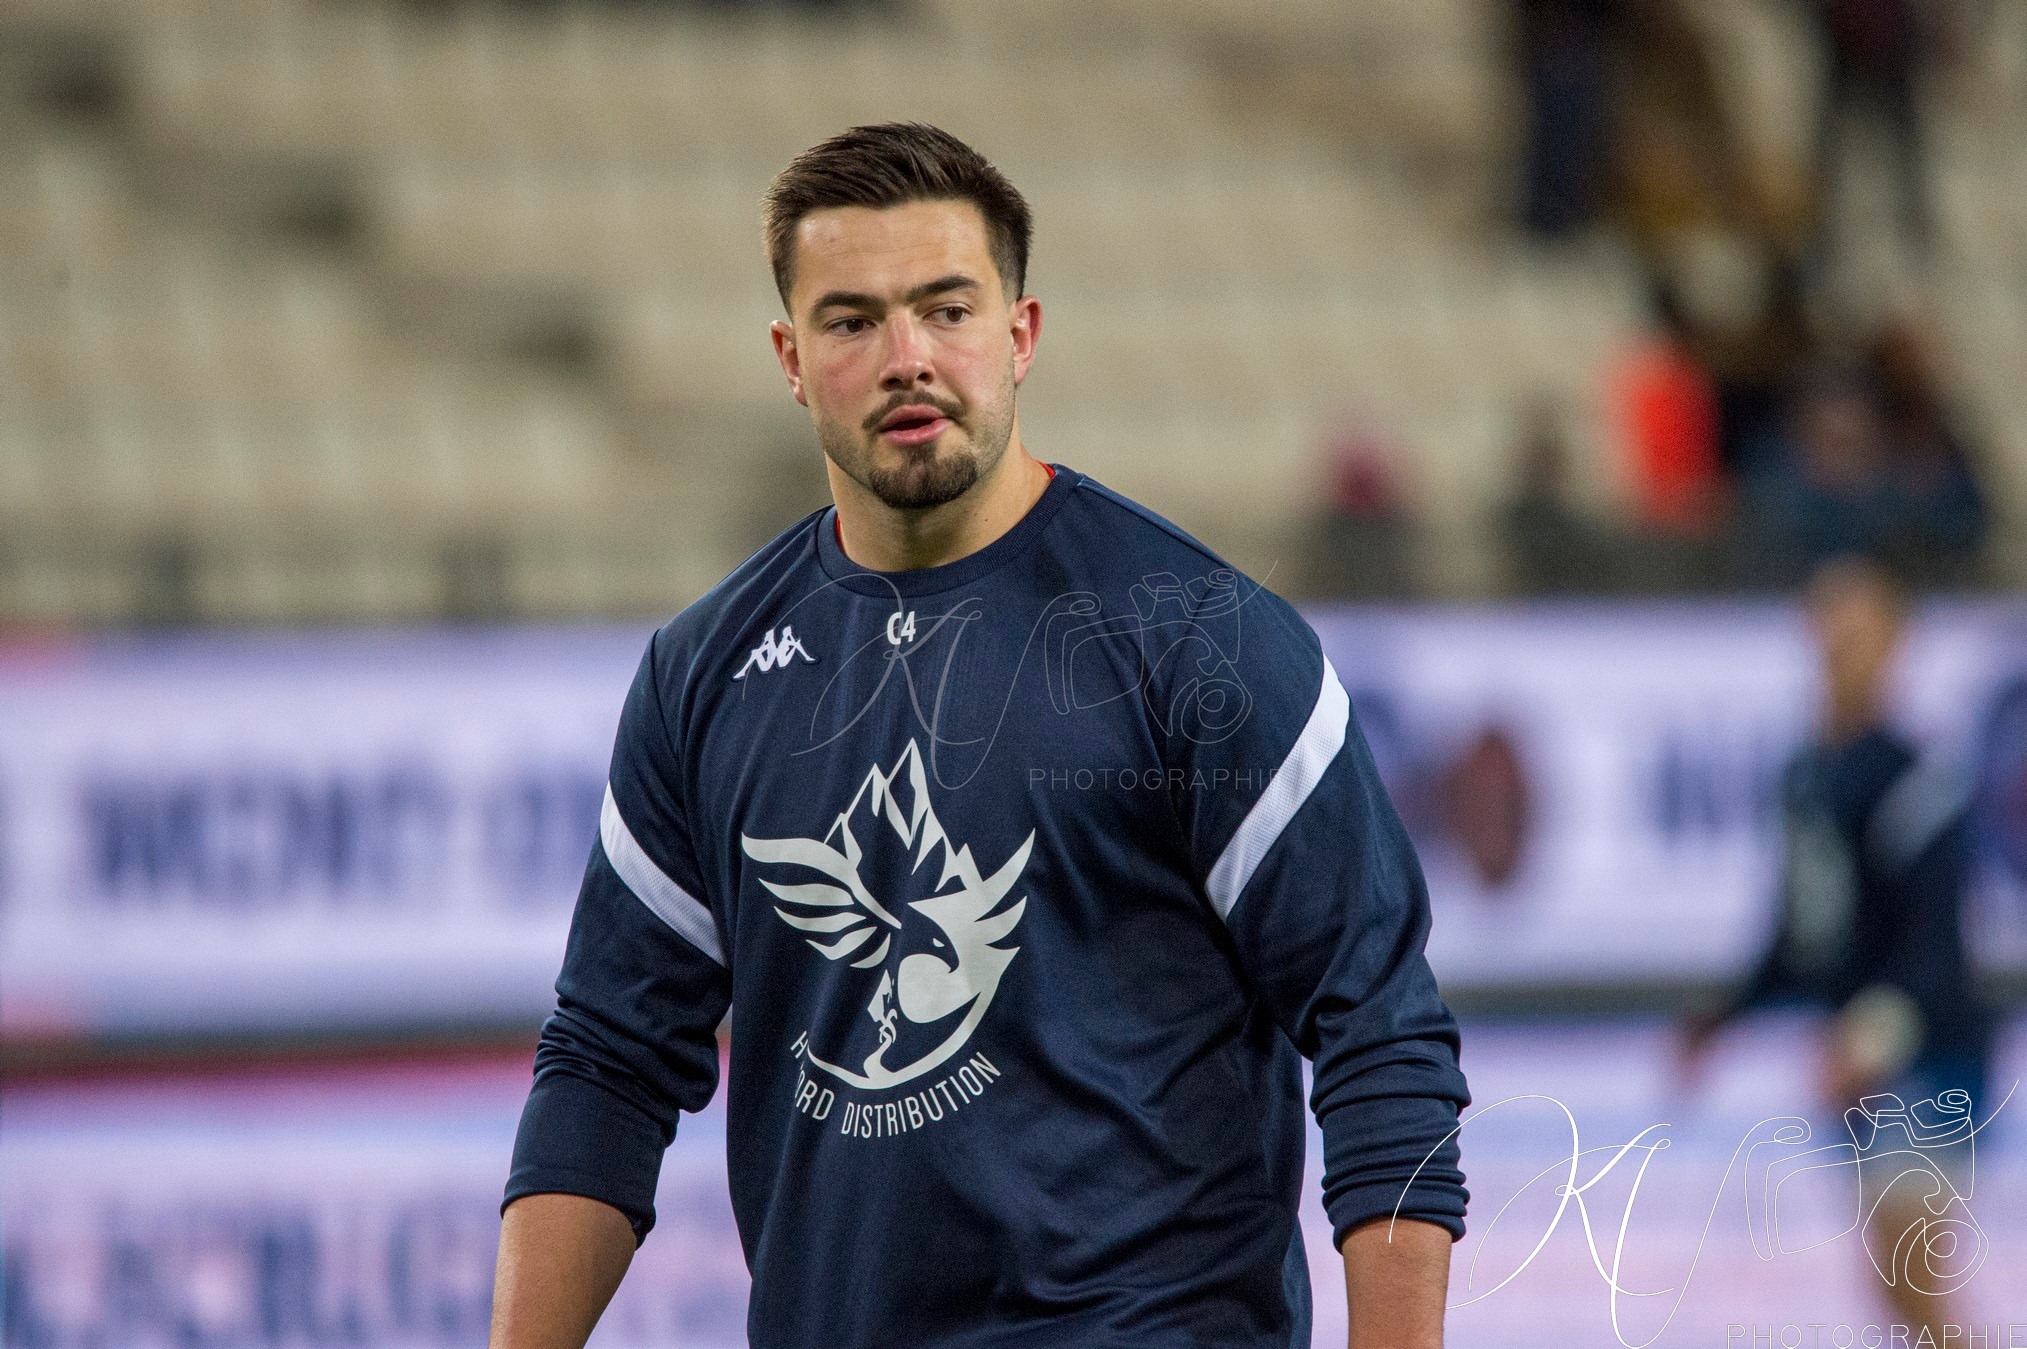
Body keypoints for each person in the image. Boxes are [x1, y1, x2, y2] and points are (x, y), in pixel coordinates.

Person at [488, 124, 1471, 1349]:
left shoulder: (1202, 643)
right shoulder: (706, 672)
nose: (908, 358)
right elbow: (607, 1059)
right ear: (791, 361)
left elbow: (1379, 1029)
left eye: (945, 309)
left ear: (1020, 335)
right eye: (851, 322)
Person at [1677, 556, 1992, 1340]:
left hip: (1924, 1057)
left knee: (1914, 1280)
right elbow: (1800, 930)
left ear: (1893, 643)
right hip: (1856, 1070)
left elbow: (1935, 940)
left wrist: (1875, 1029)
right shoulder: (1807, 775)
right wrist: (1728, 1011)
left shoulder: (1913, 778)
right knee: (1894, 1290)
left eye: (1859, 627)